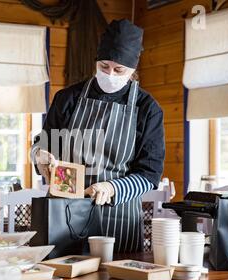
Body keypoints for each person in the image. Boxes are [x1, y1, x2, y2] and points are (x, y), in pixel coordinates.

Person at [32, 19, 165, 253]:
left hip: (118, 221)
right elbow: (44, 143)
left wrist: (112, 188)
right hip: (64, 215)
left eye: (119, 70)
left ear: (132, 70)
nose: (110, 74)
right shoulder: (68, 98)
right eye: (104, 66)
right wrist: (38, 155)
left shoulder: (147, 109)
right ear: (96, 61)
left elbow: (149, 174)